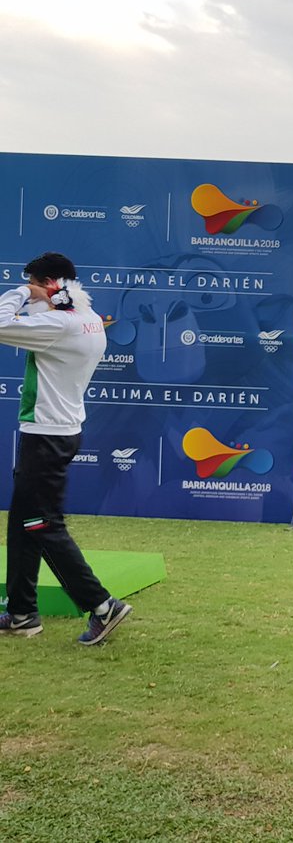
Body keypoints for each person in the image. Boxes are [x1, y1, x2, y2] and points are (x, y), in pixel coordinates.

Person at [0, 252, 132, 645]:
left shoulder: (58, 322)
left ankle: (103, 605)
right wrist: (41, 292)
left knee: (42, 525)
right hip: (56, 431)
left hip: (46, 436)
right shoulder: (86, 317)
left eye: (34, 286)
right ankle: (23, 612)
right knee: (23, 523)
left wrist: (21, 290)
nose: (30, 295)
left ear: (50, 286)